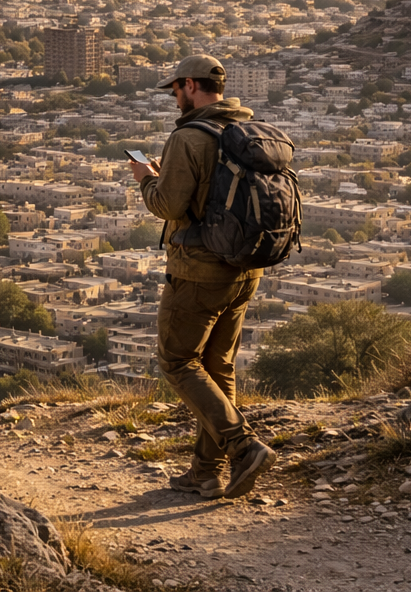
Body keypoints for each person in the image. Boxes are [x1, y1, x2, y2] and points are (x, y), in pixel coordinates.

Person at [130, 54, 278, 499]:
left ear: (191, 85)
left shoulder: (189, 137)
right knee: (217, 367)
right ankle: (206, 472)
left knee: (177, 361)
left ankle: (242, 445)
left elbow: (169, 207)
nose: (174, 98)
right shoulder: (245, 131)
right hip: (244, 267)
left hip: (198, 269)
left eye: (175, 89)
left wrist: (144, 180)